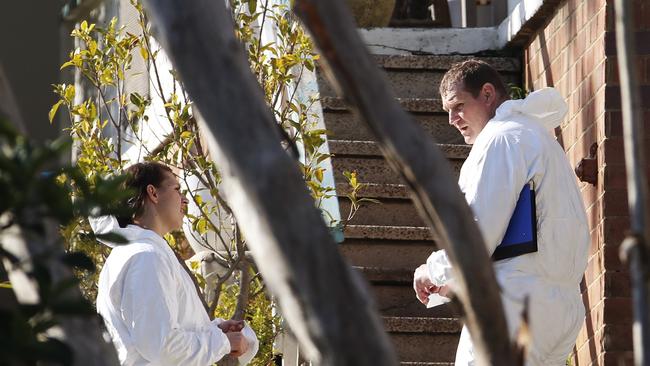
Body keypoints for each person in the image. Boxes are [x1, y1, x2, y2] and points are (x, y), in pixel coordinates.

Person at [413, 60, 589, 365]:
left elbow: (479, 233)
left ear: (487, 93)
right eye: (447, 111)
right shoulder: (537, 137)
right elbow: (524, 239)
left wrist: (433, 269)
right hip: (560, 308)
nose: (453, 119)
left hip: (517, 306)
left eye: (458, 105)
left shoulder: (501, 138)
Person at [90, 162, 259, 365]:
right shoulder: (146, 257)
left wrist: (212, 331)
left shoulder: (142, 253)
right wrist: (222, 342)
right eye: (177, 189)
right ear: (153, 193)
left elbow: (162, 333)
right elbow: (161, 346)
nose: (185, 199)